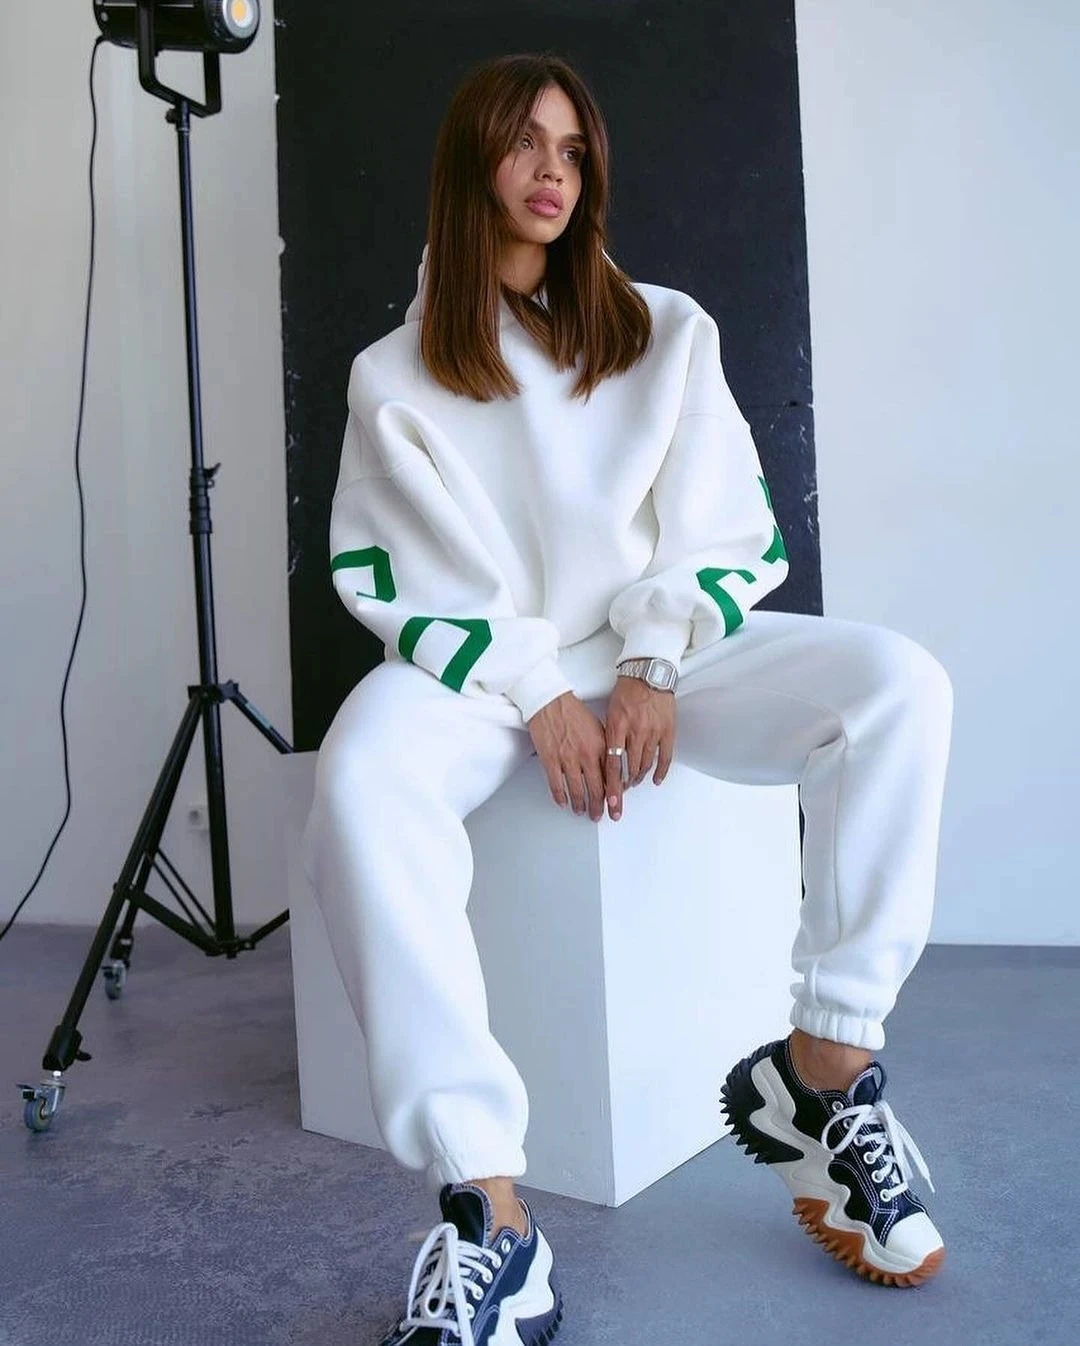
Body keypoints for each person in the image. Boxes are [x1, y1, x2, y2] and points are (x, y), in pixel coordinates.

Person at [302, 52, 953, 1344]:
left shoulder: (664, 330)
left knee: (896, 686)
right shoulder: (396, 376)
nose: (553, 171)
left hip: (661, 658)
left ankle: (824, 1065)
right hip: (488, 675)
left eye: (572, 149)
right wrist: (537, 688)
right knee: (361, 777)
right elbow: (398, 568)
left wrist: (654, 659)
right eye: (525, 143)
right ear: (470, 162)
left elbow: (724, 524)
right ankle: (490, 1211)